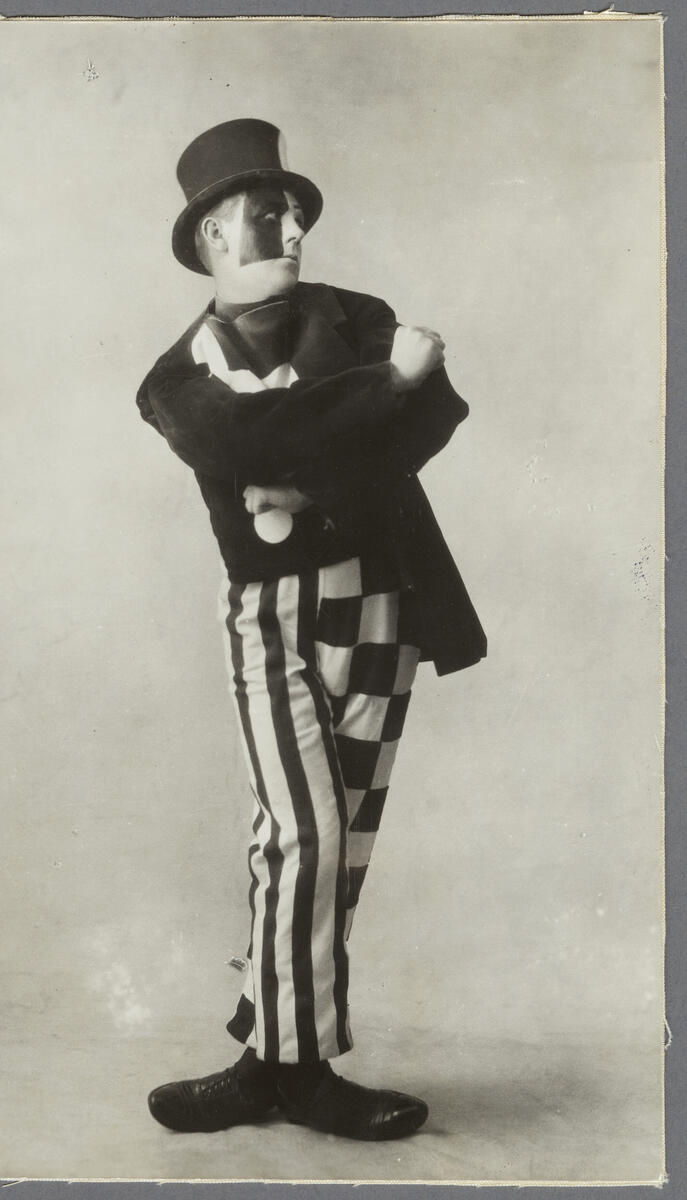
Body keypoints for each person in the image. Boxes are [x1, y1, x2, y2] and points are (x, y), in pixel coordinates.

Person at [136, 118, 486, 1142]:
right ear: (212, 235)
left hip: (379, 596)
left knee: (340, 843)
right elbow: (241, 443)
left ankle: (270, 1064)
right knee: (301, 832)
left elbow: (432, 422)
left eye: (293, 212)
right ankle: (305, 1074)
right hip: (270, 616)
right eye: (266, 213)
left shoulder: (355, 315)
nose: (290, 228)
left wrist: (313, 474)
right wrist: (386, 389)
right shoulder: (174, 378)